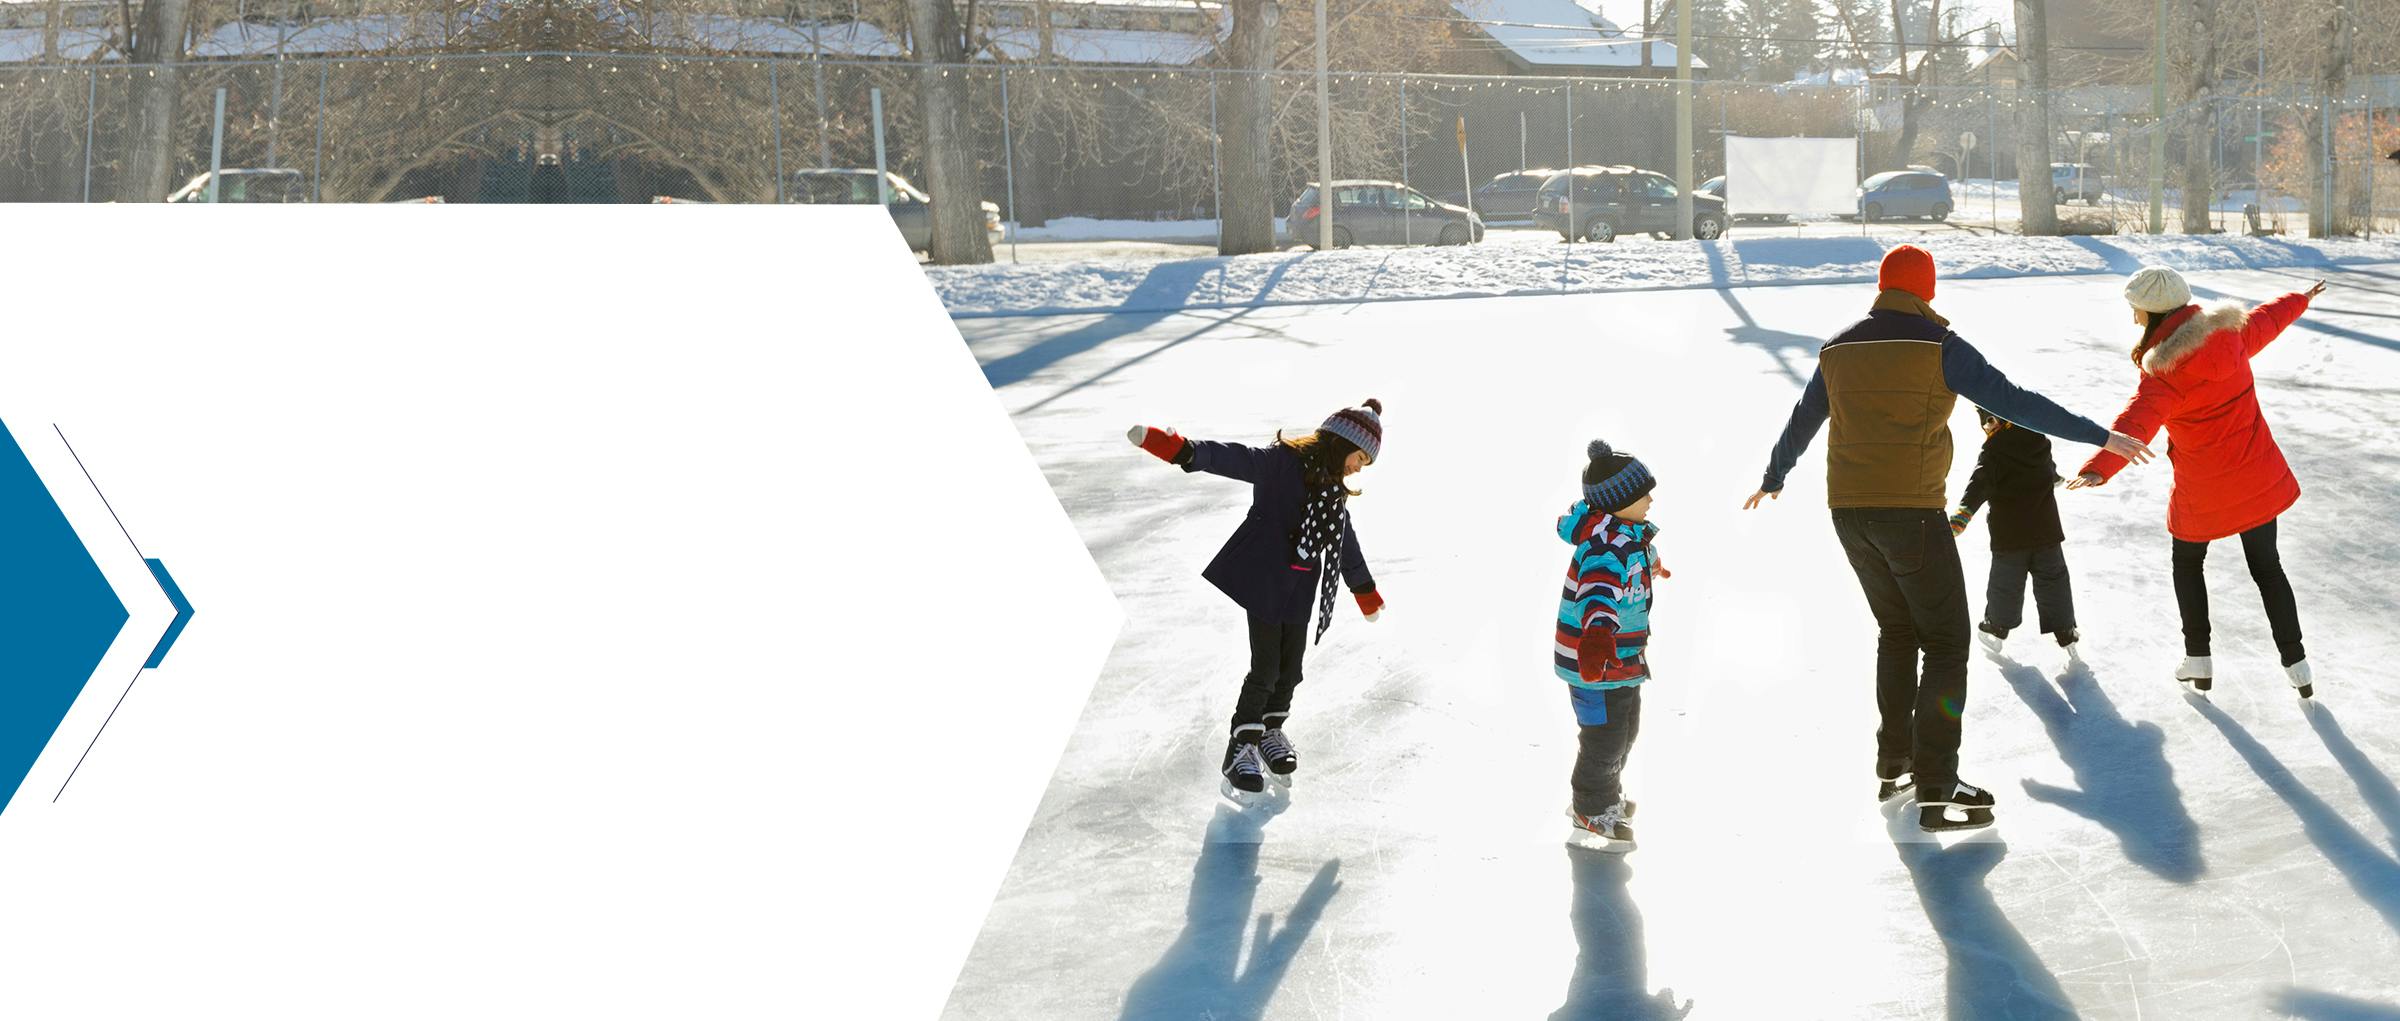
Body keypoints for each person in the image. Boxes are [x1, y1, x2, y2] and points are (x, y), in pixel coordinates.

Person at [1743, 245, 2155, 833]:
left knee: (1897, 631)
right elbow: (2016, 402)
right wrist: (2100, 436)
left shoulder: (1837, 347)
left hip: (1849, 513)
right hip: (1909, 513)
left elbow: (1804, 416)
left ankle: (1896, 763)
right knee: (1944, 642)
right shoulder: (1939, 346)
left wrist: (1774, 476)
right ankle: (1938, 785)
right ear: (1926, 290)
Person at [2069, 267, 2325, 699]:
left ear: (2154, 315)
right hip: (2257, 479)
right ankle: (2297, 664)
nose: (2133, 319)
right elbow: (2268, 318)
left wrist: (2099, 467)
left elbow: (2135, 424)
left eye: (2136, 311)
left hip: (2203, 492)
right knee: (2268, 568)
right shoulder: (2233, 337)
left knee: (2187, 564)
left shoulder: (2164, 375)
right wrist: (2300, 298)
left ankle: (2199, 658)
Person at [1127, 400, 1387, 801]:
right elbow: (1237, 459)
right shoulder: (1282, 463)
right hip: (1266, 580)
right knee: (1264, 669)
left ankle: (1270, 730)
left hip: (1301, 588)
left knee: (1291, 669)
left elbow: (1344, 541)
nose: (1358, 468)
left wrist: (1363, 589)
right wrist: (1183, 450)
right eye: (1359, 458)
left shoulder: (1334, 490)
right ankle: (1241, 744)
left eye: (1364, 464)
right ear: (1341, 443)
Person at [1555, 440, 1665, 852]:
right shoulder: (1605, 545)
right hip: (1595, 661)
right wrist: (1598, 637)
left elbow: (1637, 554)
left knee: (1624, 731)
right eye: (1643, 494)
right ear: (1619, 501)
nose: (1651, 499)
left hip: (1621, 659)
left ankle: (1605, 796)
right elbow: (1597, 593)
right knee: (1603, 738)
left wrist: (1653, 565)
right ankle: (1590, 808)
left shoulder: (1627, 534)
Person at [1951, 407, 2081, 663]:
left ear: (2000, 422)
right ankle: (2066, 631)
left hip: (2009, 535)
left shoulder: (1993, 452)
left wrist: (1962, 515)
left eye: (1989, 423)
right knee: (2053, 581)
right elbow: (2048, 469)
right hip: (2046, 532)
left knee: (2005, 584)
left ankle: (1996, 627)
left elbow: (1979, 484)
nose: (1988, 429)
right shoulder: (2039, 442)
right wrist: (2053, 477)